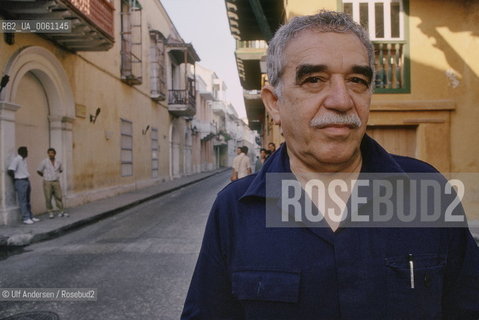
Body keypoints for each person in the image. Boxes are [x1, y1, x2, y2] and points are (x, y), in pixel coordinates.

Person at [181, 11, 479, 319]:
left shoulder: (426, 191)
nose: (341, 100)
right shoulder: (235, 209)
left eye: (357, 80)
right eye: (314, 80)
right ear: (273, 102)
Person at [7, 146, 40, 224]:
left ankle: (30, 216)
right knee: (23, 200)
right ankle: (26, 218)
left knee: (27, 200)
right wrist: (16, 178)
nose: (27, 152)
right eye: (26, 151)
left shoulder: (24, 160)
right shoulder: (17, 159)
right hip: (20, 181)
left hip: (26, 180)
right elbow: (10, 170)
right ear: (22, 152)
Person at [37, 148, 67, 218]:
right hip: (47, 182)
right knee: (48, 197)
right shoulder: (44, 161)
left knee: (59, 196)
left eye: (52, 153)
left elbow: (61, 170)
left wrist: (55, 174)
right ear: (48, 154)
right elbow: (38, 170)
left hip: (56, 181)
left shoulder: (58, 161)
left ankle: (61, 211)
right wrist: (44, 176)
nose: (51, 154)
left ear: (54, 154)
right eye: (49, 153)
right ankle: (50, 212)